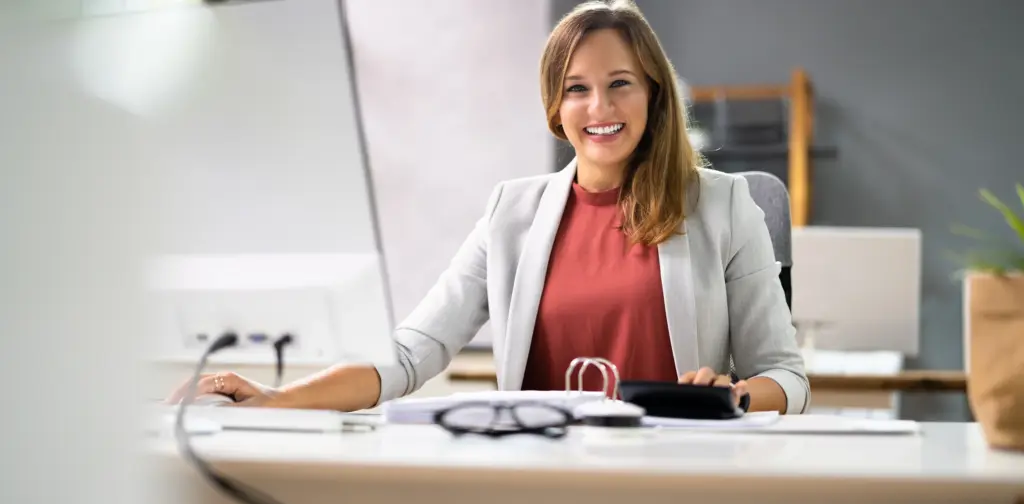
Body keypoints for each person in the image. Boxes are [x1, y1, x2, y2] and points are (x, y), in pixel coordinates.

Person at [168, 0, 809, 415]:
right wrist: (275, 400)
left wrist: (739, 396)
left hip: (676, 477)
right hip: (538, 475)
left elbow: (786, 376)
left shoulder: (724, 204)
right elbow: (409, 354)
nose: (600, 109)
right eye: (576, 90)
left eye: (620, 85)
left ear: (653, 96)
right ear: (555, 108)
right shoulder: (514, 211)